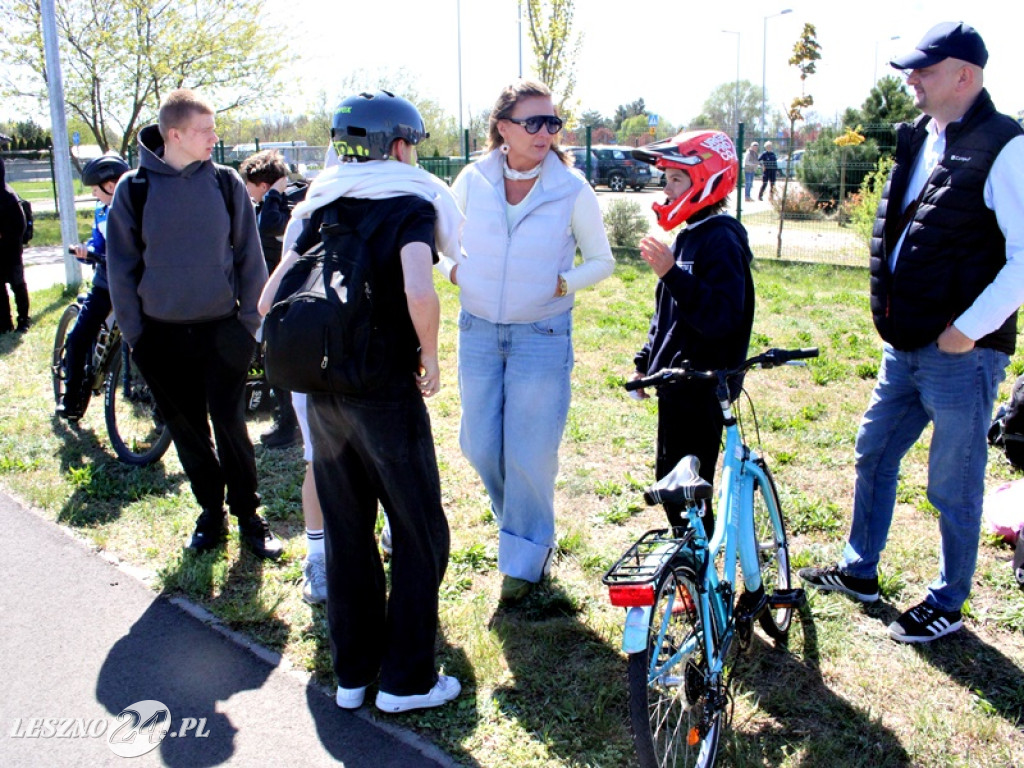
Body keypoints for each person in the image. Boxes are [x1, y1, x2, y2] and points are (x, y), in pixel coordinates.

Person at [799, 22, 1024, 643]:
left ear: (964, 76)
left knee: (953, 483)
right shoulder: (923, 135)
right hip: (905, 344)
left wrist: (968, 330)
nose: (911, 80)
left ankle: (949, 602)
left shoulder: (1005, 147)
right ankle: (859, 571)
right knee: (874, 452)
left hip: (961, 353)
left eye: (925, 70)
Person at [274, 90, 463, 713]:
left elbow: (269, 299)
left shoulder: (318, 203)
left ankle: (352, 677)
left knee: (348, 532)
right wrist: (431, 355)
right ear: (400, 146)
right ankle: (407, 682)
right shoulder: (410, 202)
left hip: (321, 392)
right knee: (418, 529)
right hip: (382, 391)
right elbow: (418, 288)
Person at [441, 79, 614, 603]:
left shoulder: (571, 188)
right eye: (533, 122)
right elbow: (439, 241)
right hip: (477, 330)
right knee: (478, 445)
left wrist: (562, 283)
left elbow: (601, 261)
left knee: (530, 452)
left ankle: (525, 555)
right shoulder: (473, 179)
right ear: (503, 128)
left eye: (552, 122)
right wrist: (454, 273)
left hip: (542, 333)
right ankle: (518, 523)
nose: (545, 132)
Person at [106, 88, 282, 560]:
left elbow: (250, 258)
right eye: (205, 130)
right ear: (175, 135)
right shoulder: (134, 189)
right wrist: (137, 336)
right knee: (187, 430)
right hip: (160, 337)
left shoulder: (226, 183)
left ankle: (249, 515)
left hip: (224, 332)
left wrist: (249, 325)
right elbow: (121, 269)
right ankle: (211, 513)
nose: (214, 137)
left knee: (230, 425)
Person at [629, 131, 755, 543]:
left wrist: (673, 274)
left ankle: (697, 564)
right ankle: (689, 556)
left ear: (706, 181)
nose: (666, 190)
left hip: (703, 387)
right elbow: (666, 313)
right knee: (669, 479)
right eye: (665, 179)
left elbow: (722, 317)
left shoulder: (721, 240)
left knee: (689, 489)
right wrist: (646, 362)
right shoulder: (688, 235)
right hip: (676, 384)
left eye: (676, 180)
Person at [56, 154, 131, 419]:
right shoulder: (101, 211)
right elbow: (97, 244)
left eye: (95, 189)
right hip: (105, 285)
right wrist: (86, 250)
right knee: (78, 339)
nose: (93, 194)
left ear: (110, 186)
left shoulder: (137, 209)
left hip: (132, 286)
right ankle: (71, 398)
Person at [239, 149, 300, 449]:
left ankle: (289, 425)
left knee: (280, 361)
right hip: (274, 296)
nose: (247, 192)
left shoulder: (283, 204)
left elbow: (270, 227)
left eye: (249, 186)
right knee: (274, 360)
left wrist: (275, 194)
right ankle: (286, 419)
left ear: (263, 185)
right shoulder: (266, 205)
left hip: (288, 297)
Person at [0, 154, 29, 334]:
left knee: (17, 284)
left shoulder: (8, 196)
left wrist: (5, 237)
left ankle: (23, 320)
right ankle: (4, 323)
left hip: (11, 250)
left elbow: (20, 225)